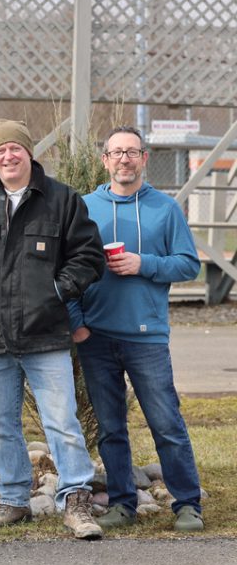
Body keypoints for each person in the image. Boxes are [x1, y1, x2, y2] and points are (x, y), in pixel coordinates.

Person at [0, 119, 106, 540]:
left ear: (29, 153)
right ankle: (14, 499)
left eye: (15, 149)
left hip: (46, 335)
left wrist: (57, 290)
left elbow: (88, 257)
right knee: (1, 425)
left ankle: (76, 501)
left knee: (62, 424)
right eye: (0, 151)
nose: (8, 156)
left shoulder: (62, 200)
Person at [68, 126, 205, 532]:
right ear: (105, 160)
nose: (124, 159)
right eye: (116, 152)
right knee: (111, 427)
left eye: (132, 152)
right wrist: (77, 324)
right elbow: (67, 270)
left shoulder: (165, 209)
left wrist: (143, 264)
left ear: (144, 158)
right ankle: (123, 502)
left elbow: (188, 264)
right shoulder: (84, 207)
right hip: (96, 336)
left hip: (146, 336)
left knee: (167, 424)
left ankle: (187, 504)